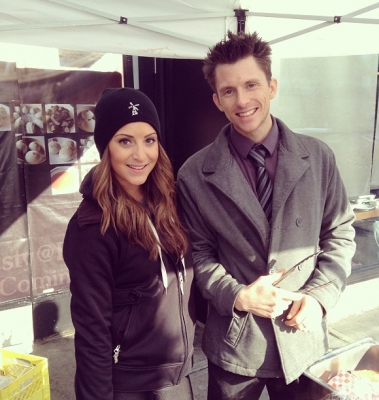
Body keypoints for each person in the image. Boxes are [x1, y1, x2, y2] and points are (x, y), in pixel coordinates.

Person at [177, 31, 356, 400]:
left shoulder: (318, 157)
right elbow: (198, 253)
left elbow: (339, 233)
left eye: (251, 84)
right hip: (236, 343)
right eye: (229, 91)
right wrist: (238, 295)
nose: (242, 100)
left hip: (302, 336)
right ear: (217, 100)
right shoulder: (194, 174)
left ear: (272, 86)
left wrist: (320, 296)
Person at [63, 88, 196, 400]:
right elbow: (92, 332)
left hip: (179, 377)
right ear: (105, 147)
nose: (141, 155)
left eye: (149, 140)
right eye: (125, 141)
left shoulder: (169, 202)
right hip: (131, 386)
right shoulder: (92, 228)